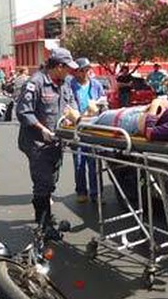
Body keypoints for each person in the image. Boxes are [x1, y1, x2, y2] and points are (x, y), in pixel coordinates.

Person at [15, 47, 78, 240]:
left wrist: (74, 116)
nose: (70, 72)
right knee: (43, 183)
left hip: (56, 142)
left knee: (52, 181)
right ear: (58, 66)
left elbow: (71, 104)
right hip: (37, 143)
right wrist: (42, 129)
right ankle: (43, 225)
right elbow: (24, 112)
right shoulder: (36, 83)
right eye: (67, 68)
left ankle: (45, 217)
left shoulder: (64, 83)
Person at [70, 57, 106, 203]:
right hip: (77, 127)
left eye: (87, 70)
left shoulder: (96, 84)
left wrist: (100, 106)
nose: (85, 73)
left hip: (93, 127)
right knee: (79, 162)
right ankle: (81, 191)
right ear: (76, 72)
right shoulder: (70, 85)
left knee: (94, 161)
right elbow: (67, 105)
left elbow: (104, 102)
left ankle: (96, 193)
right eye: (82, 70)